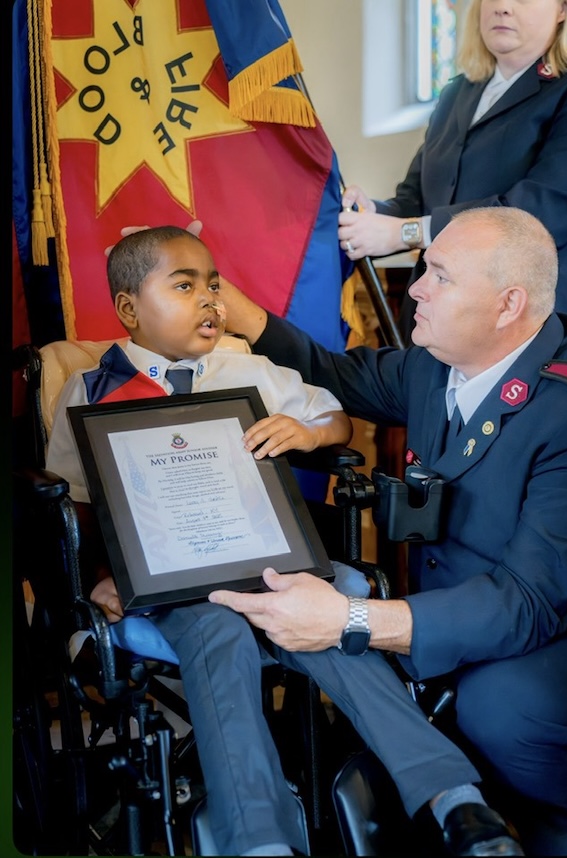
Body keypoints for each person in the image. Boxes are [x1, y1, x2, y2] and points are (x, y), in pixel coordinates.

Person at [208, 207, 567, 857]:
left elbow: (528, 602)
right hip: (467, 613)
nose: (415, 289)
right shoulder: (437, 363)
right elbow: (330, 373)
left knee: (501, 709)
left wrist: (350, 619)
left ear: (508, 305)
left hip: (562, 624)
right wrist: (232, 306)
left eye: (439, 276)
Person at [45, 225, 357, 857]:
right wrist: (101, 574)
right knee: (219, 634)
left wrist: (308, 433)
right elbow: (75, 502)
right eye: (185, 287)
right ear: (129, 308)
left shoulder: (250, 369)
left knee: (339, 603)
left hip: (258, 563)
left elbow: (336, 418)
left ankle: (327, 795)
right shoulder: (93, 387)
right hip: (166, 576)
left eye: (214, 286)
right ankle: (255, 826)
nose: (211, 300)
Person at [338, 0, 567, 341]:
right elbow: (415, 199)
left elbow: (542, 210)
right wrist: (372, 214)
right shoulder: (457, 92)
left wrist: (403, 232)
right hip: (433, 317)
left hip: (519, 325)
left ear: (564, 10)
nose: (503, 7)